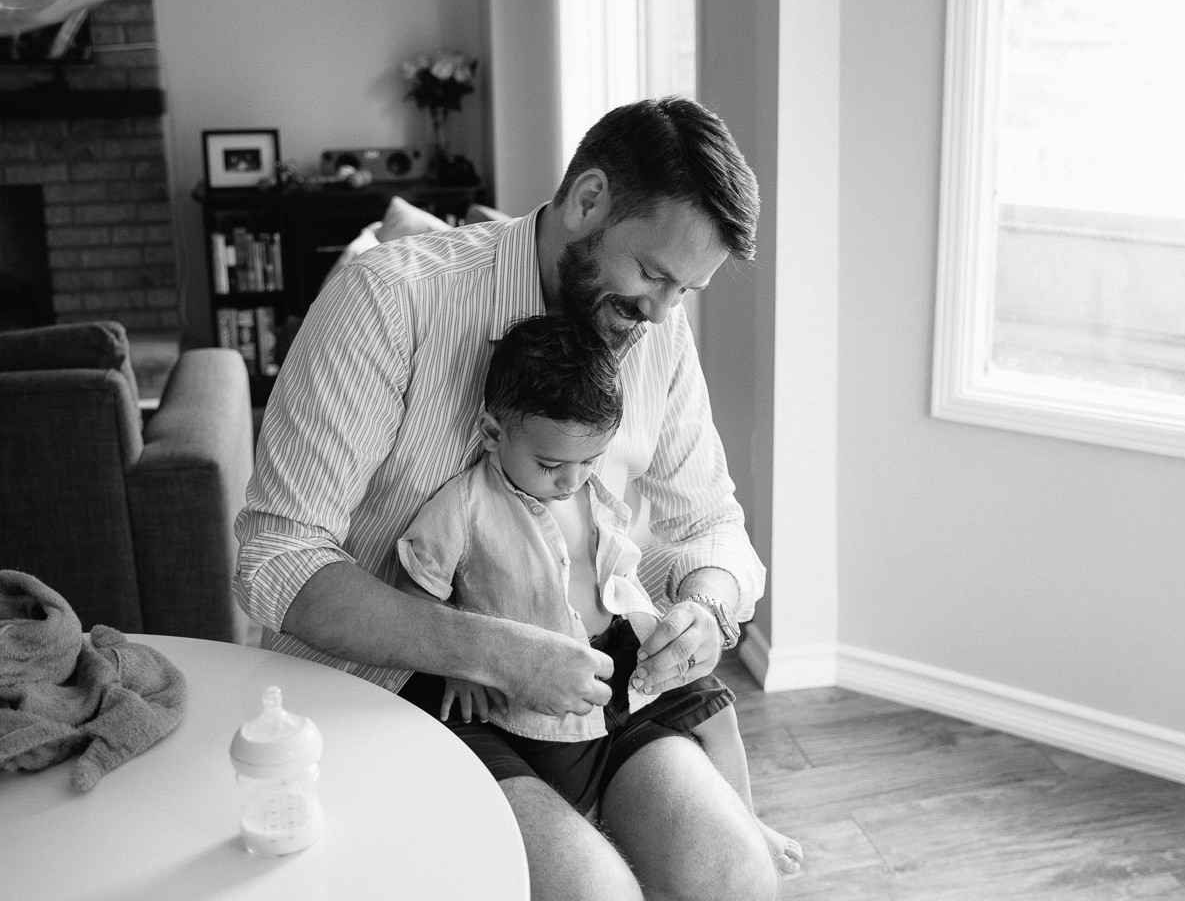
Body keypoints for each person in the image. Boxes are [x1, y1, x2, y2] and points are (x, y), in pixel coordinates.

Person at [234, 96, 780, 901]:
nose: (662, 313)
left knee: (736, 880)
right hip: (410, 683)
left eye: (685, 292)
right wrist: (491, 652)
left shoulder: (656, 331)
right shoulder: (391, 300)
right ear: (587, 200)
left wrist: (707, 602)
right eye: (655, 275)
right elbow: (276, 556)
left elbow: (709, 522)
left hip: (599, 674)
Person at [395, 313, 800, 872]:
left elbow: (618, 566)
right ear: (492, 434)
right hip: (543, 673)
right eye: (551, 465)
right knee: (571, 793)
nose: (571, 480)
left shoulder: (592, 490)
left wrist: (678, 615)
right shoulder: (464, 507)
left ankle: (747, 817)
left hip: (620, 646)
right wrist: (457, 661)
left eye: (588, 460)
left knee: (717, 711)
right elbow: (415, 593)